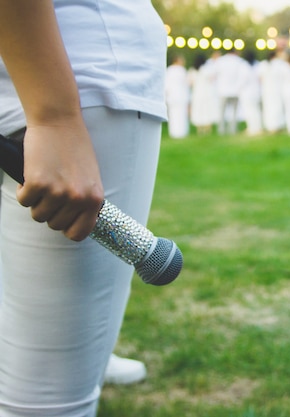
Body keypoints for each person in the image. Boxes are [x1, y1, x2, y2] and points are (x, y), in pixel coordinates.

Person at [0, 1, 167, 416]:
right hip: (53, 82)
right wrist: (53, 116)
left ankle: (90, 350)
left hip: (58, 62)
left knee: (40, 386)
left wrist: (52, 114)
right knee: (44, 403)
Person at [214, 49, 248, 135]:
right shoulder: (239, 61)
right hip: (235, 91)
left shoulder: (220, 61)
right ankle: (232, 129)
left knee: (222, 112)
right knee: (234, 112)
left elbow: (214, 74)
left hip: (223, 90)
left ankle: (221, 129)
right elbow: (243, 76)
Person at [165, 54, 190, 139]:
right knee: (181, 115)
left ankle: (174, 132)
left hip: (172, 96)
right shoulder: (181, 70)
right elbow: (186, 83)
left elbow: (166, 85)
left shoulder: (169, 70)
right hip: (180, 95)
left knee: (173, 115)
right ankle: (181, 132)